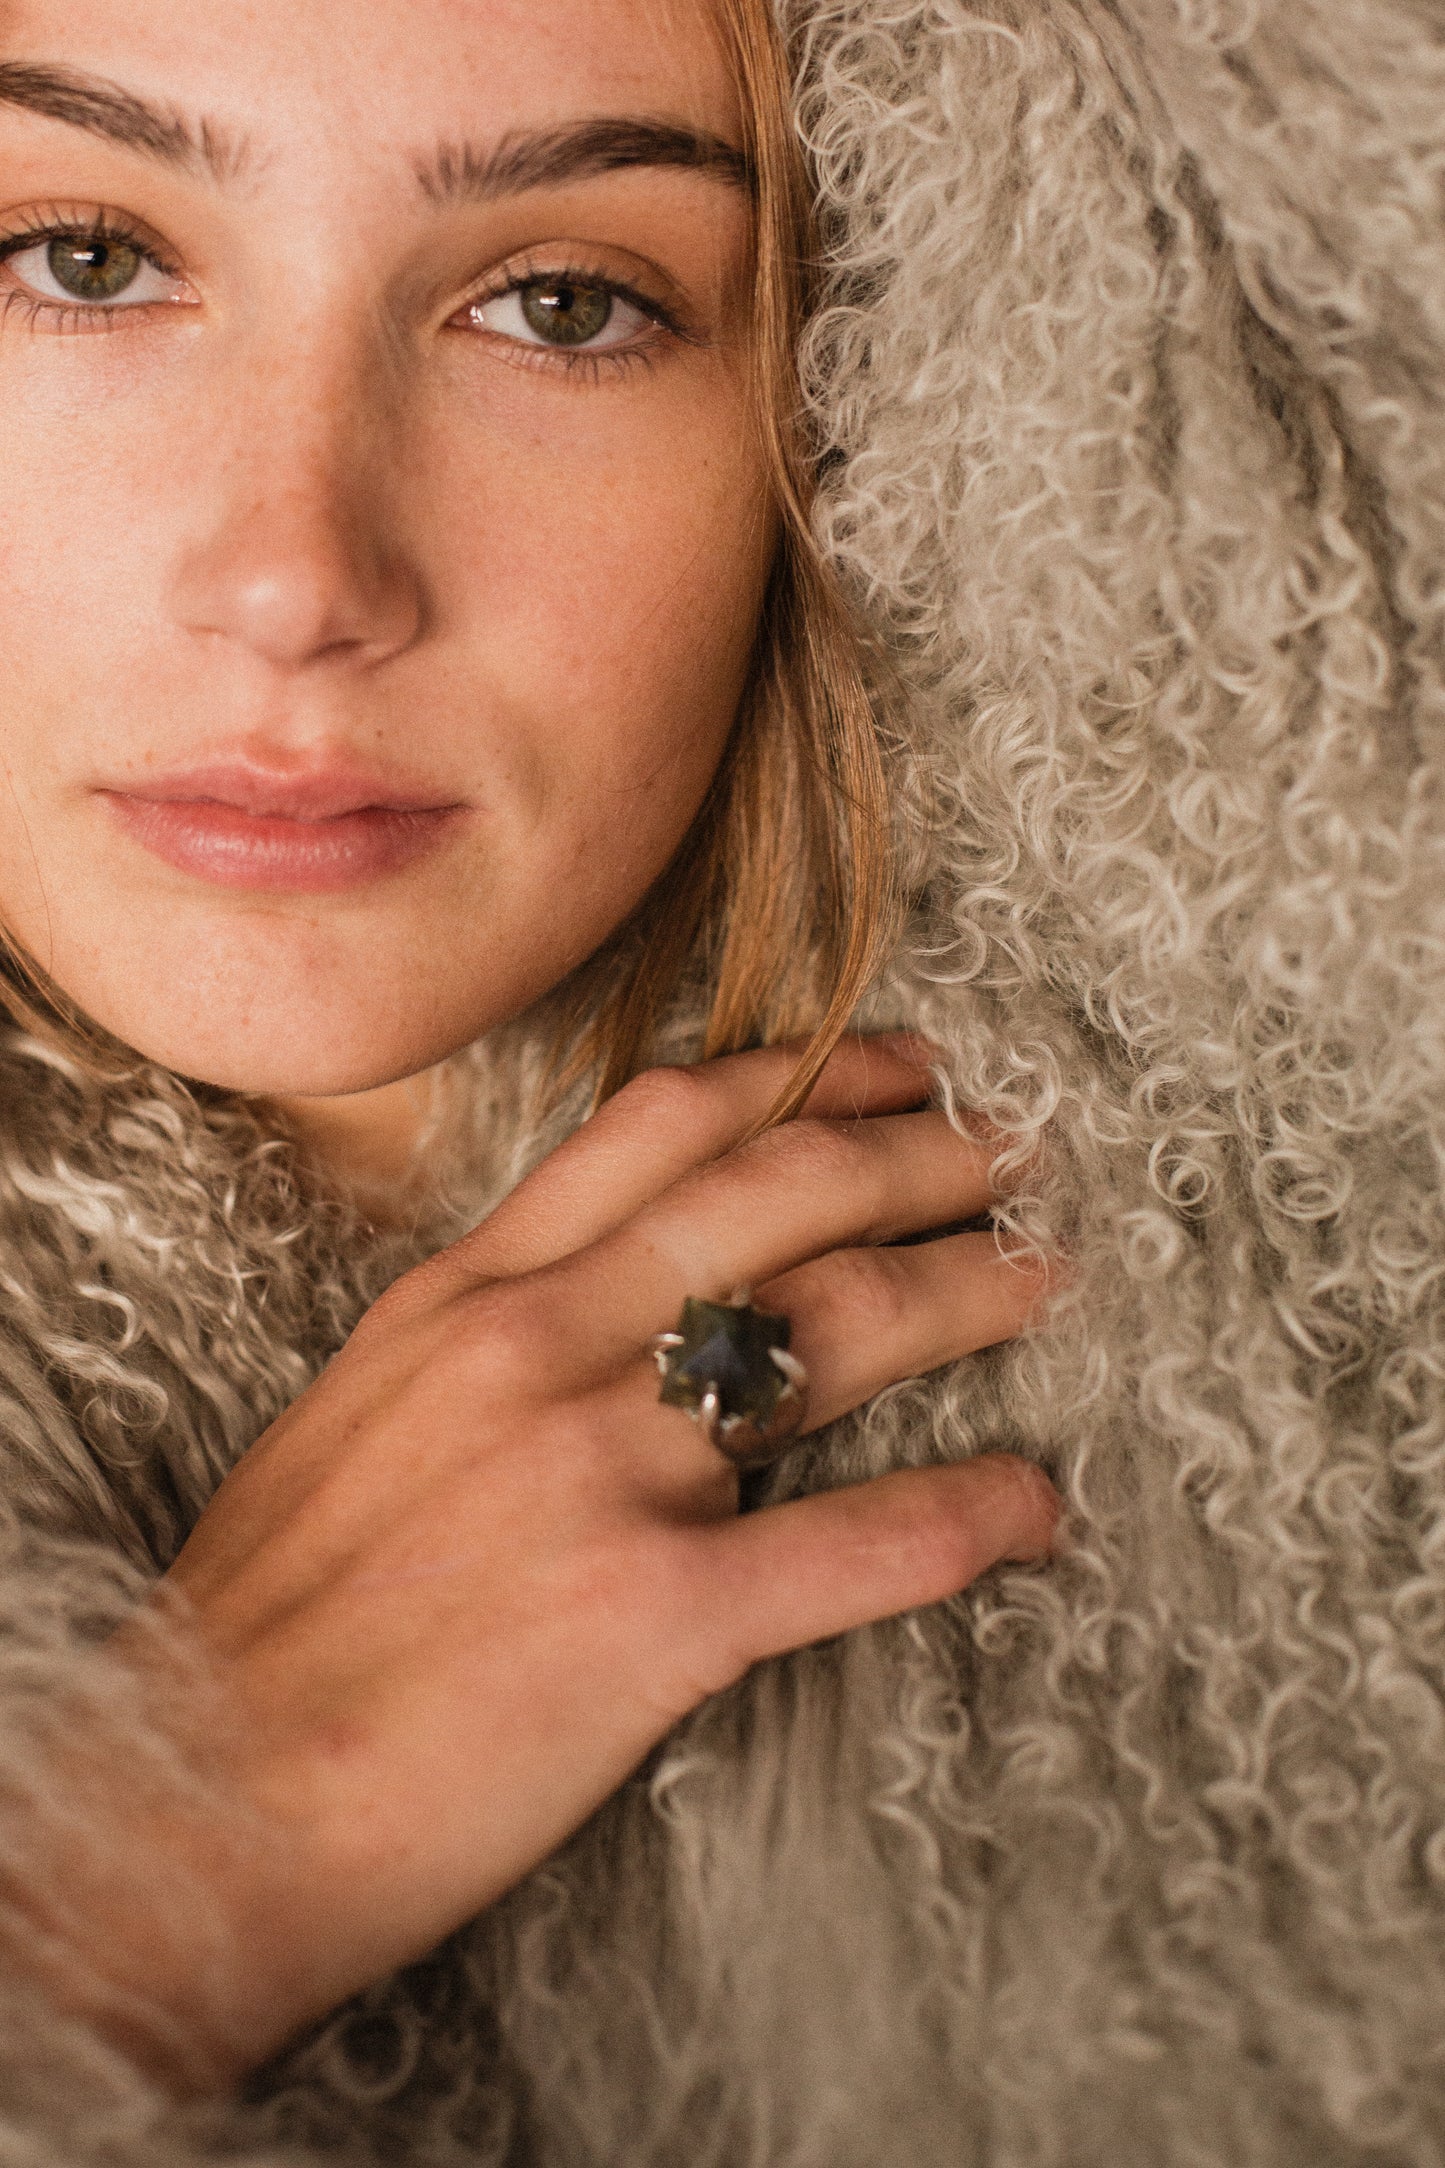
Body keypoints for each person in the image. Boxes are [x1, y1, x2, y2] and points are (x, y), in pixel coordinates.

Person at [0, 0, 1440, 2161]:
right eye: (86, 257)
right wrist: (132, 1885)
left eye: (561, 301)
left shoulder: (1329, 1374)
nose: (296, 575)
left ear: (872, 386)